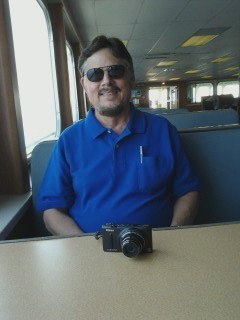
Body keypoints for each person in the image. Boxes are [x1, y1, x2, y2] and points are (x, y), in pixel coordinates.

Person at [37, 35, 200, 236]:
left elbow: (188, 192)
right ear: (84, 84)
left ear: (131, 78)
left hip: (160, 249)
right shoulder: (68, 141)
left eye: (115, 71)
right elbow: (52, 211)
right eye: (95, 74)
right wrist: (84, 247)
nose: (106, 81)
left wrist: (174, 234)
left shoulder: (163, 131)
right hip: (91, 253)